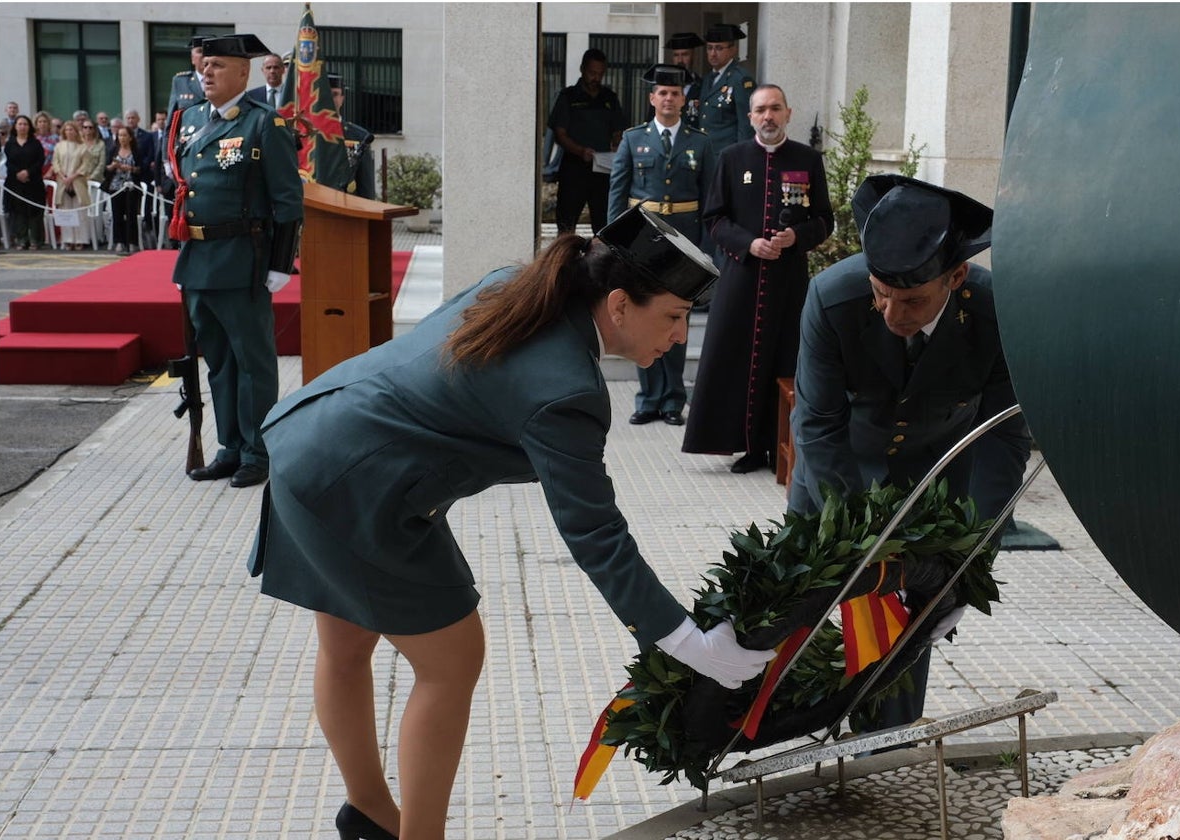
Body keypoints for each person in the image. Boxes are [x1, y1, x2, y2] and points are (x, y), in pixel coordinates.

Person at [246, 204, 773, 840]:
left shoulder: (521, 288)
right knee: (452, 659)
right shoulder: (565, 389)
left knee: (347, 647)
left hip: (313, 440)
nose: (678, 338)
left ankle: (369, 815)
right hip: (357, 488)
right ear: (617, 304)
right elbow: (596, 535)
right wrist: (685, 640)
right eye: (673, 316)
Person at [789, 174, 1033, 729]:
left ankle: (881, 751)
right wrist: (856, 539)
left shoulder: (998, 313)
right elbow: (819, 425)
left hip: (932, 482)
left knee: (906, 633)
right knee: (801, 616)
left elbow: (1002, 435)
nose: (894, 316)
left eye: (914, 301)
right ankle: (789, 740)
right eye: (881, 294)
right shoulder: (832, 297)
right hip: (836, 476)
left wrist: (972, 558)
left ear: (957, 276)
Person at [168, 34, 302, 489]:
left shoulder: (265, 125)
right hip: (199, 259)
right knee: (218, 363)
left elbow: (288, 201)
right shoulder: (188, 121)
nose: (206, 73)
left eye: (218, 66)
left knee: (253, 362)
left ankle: (257, 450)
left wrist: (281, 263)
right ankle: (229, 446)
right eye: (205, 65)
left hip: (243, 261)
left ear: (243, 73)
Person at [682, 85, 833, 473]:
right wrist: (749, 244)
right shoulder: (732, 158)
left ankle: (776, 443)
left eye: (775, 109)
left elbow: (824, 220)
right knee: (735, 357)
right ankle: (745, 446)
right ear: (750, 117)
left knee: (784, 358)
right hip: (741, 277)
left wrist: (797, 237)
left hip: (789, 281)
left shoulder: (808, 159)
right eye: (761, 110)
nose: (768, 116)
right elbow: (714, 218)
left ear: (788, 113)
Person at [609, 65, 712, 427]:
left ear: (684, 99)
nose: (669, 98)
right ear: (652, 98)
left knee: (676, 316)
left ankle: (673, 401)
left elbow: (709, 197)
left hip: (685, 240)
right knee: (642, 313)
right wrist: (614, 242)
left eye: (675, 93)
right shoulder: (632, 139)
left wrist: (705, 246)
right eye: (662, 93)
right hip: (643, 240)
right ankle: (648, 399)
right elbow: (617, 192)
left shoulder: (701, 141)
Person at [548, 48, 627, 234]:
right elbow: (560, 133)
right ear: (582, 69)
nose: (596, 78)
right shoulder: (568, 97)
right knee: (567, 224)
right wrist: (580, 151)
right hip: (573, 168)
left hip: (602, 170)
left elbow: (618, 130)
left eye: (600, 74)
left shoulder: (609, 98)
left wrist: (617, 143)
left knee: (604, 224)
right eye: (592, 73)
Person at [697, 24, 756, 163]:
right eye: (709, 47)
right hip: (706, 156)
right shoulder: (707, 80)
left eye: (719, 48)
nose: (713, 53)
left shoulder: (740, 79)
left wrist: (742, 159)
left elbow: (746, 126)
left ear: (733, 50)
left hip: (728, 157)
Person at [329, 74, 377, 200]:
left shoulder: (359, 136)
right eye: (326, 95)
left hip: (347, 205)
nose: (330, 100)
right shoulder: (307, 134)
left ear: (342, 98)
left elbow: (365, 183)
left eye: (335, 94)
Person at [3, 114, 47, 250]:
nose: (22, 127)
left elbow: (40, 161)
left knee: (34, 211)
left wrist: (27, 172)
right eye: (20, 124)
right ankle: (22, 239)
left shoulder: (35, 143)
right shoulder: (10, 144)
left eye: (25, 124)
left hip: (33, 182)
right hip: (15, 182)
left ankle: (35, 240)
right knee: (18, 212)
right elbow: (8, 162)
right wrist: (18, 173)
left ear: (29, 127)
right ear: (15, 127)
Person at [51, 120, 94, 250]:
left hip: (78, 182)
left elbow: (86, 165)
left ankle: (81, 239)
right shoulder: (59, 146)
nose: (69, 132)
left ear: (76, 132)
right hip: (62, 182)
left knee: (79, 212)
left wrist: (73, 176)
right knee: (66, 212)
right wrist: (63, 176)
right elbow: (55, 162)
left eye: (72, 130)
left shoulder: (83, 147)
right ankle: (68, 239)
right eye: (67, 130)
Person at [105, 125, 142, 253]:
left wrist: (130, 168)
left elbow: (141, 169)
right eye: (120, 135)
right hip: (115, 186)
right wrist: (113, 166)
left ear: (130, 137)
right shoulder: (113, 150)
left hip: (132, 186)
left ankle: (132, 242)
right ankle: (119, 242)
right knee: (117, 215)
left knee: (131, 215)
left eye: (124, 135)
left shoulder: (136, 151)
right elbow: (107, 168)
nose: (122, 138)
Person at [666, 31, 705, 127]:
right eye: (676, 55)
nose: (680, 60)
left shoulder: (703, 86)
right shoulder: (663, 87)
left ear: (693, 56)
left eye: (684, 55)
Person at [167, 36, 208, 118]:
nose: (204, 55)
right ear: (192, 58)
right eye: (200, 51)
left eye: (208, 51)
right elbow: (172, 117)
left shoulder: (224, 81)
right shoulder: (181, 82)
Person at [34, 111, 58, 177]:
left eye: (45, 121)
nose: (42, 124)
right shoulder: (32, 138)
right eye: (40, 122)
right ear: (36, 124)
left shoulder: (55, 138)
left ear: (49, 123)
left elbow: (58, 158)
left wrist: (50, 171)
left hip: (51, 170)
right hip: (34, 170)